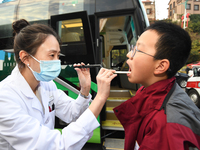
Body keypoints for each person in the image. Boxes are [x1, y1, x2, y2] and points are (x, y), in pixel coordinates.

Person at [0, 19, 117, 150]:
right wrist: (100, 97)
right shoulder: (5, 98)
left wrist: (85, 90)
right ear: (25, 58)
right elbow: (55, 145)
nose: (57, 62)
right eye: (51, 55)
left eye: (58, 55)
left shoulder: (46, 85)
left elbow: (72, 114)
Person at [113, 21, 200, 150]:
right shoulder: (150, 92)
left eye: (137, 50)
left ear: (160, 66)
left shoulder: (166, 125)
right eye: (133, 48)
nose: (129, 54)